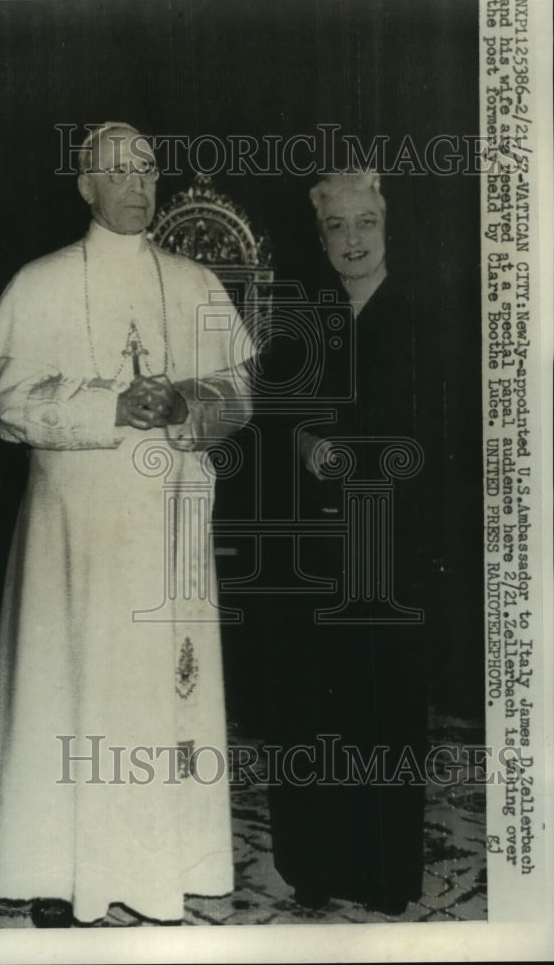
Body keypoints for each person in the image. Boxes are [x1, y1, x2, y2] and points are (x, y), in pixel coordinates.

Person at [0, 123, 254, 926]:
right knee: (68, 691)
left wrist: (187, 401)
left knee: (155, 698)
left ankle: (160, 869)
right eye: (119, 172)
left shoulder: (196, 282)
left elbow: (239, 396)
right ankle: (58, 871)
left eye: (148, 172)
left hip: (166, 532)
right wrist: (112, 405)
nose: (138, 186)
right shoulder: (40, 282)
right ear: (85, 186)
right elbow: (12, 405)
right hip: (74, 533)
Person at [254, 171, 440, 916]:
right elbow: (275, 414)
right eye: (337, 226)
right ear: (321, 236)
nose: (352, 239)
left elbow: (445, 442)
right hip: (316, 555)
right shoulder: (307, 321)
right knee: (309, 706)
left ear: (387, 228)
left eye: (365, 222)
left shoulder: (425, 318)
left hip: (394, 551)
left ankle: (383, 877)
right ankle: (314, 867)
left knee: (384, 710)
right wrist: (304, 444)